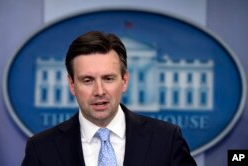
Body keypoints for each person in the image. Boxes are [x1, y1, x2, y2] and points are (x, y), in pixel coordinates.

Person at [22, 31, 197, 166]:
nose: (99, 91)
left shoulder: (166, 140)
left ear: (124, 81)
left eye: (108, 78)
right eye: (87, 80)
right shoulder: (41, 149)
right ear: (72, 84)